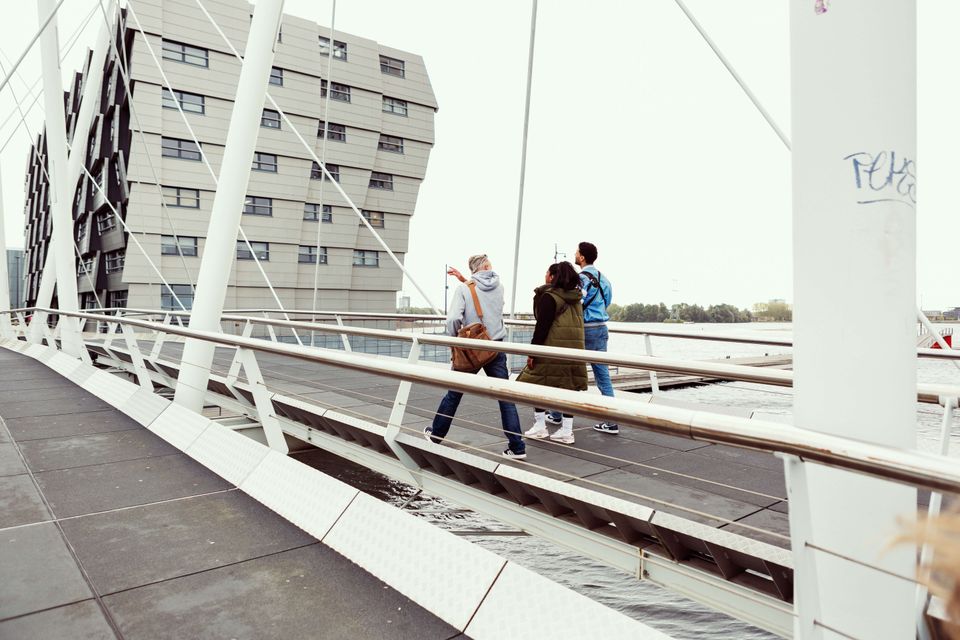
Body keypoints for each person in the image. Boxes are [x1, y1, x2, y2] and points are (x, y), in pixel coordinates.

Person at [424, 254, 526, 459]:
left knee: (454, 393)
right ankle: (517, 447)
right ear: (486, 266)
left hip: (472, 348)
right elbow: (482, 295)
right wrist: (464, 279)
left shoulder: (464, 290)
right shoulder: (500, 287)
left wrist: (455, 341)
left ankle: (436, 435)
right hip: (496, 348)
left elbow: (453, 318)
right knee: (506, 398)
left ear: (473, 270)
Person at [549, 241, 619, 433]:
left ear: (581, 257)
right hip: (601, 328)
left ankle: (556, 414)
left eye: (576, 252)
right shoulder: (605, 279)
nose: (575, 254)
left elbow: (576, 300)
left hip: (583, 329)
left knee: (567, 372)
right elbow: (607, 302)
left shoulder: (581, 278)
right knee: (602, 375)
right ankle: (612, 420)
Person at [518, 262, 587, 444]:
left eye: (546, 273)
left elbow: (542, 328)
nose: (545, 276)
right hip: (573, 351)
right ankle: (566, 431)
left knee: (536, 384)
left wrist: (532, 352)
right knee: (568, 389)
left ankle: (540, 426)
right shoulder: (576, 298)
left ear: (552, 277)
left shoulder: (550, 297)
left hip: (551, 350)